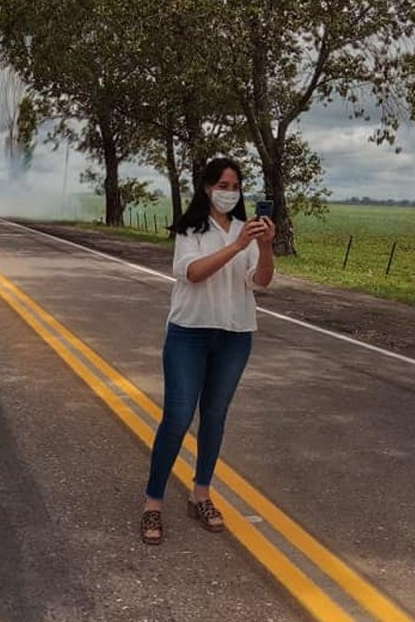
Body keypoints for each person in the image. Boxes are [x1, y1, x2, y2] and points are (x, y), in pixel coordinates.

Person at [141, 157, 275, 545]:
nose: (229, 193)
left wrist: (264, 246)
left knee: (214, 416)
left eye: (235, 186)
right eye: (222, 185)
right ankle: (153, 502)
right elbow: (194, 273)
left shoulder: (246, 231)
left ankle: (201, 494)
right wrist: (238, 245)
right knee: (178, 416)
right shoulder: (191, 229)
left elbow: (261, 281)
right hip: (190, 333)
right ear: (206, 188)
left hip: (235, 334)